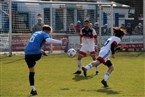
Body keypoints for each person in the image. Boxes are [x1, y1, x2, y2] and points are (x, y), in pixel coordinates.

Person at [25, 25, 65, 96]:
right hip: (36, 55)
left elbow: (34, 43)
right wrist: (60, 42)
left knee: (31, 72)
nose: (48, 34)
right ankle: (41, 52)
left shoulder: (36, 32)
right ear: (48, 31)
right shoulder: (44, 34)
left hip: (27, 54)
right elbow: (48, 40)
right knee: (39, 54)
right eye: (49, 33)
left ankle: (33, 89)